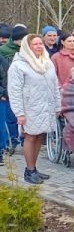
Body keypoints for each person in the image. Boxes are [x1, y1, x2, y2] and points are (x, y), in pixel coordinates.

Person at [7, 34, 61, 184]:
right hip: (29, 108)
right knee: (30, 137)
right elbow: (14, 91)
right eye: (35, 44)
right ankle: (29, 170)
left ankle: (34, 168)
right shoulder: (18, 65)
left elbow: (55, 86)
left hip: (46, 107)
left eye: (40, 44)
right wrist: (19, 113)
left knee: (39, 136)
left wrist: (57, 105)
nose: (38, 46)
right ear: (27, 47)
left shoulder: (47, 62)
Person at [1, 25, 27, 156]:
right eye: (21, 40)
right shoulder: (3, 51)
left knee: (26, 115)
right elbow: (4, 72)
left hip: (27, 88)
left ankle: (24, 139)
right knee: (11, 117)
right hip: (10, 87)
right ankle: (13, 140)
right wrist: (4, 90)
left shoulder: (28, 50)